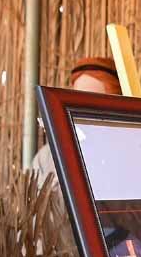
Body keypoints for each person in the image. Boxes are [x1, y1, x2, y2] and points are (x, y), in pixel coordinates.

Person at [29, 57, 121, 185]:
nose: (82, 107)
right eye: (75, 99)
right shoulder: (47, 157)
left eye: (92, 100)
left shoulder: (124, 158)